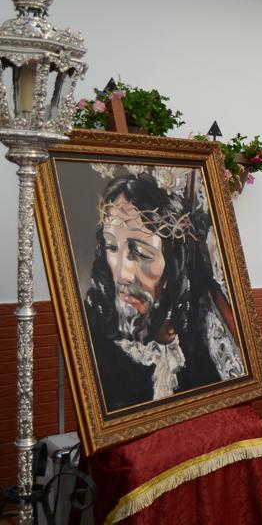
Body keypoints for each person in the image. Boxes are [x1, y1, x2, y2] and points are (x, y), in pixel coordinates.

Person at [84, 170, 245, 412]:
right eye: (111, 247)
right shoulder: (91, 335)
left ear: (174, 264)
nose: (122, 274)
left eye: (139, 252)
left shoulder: (196, 334)